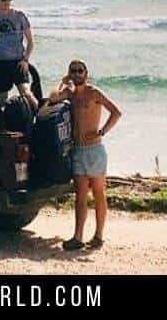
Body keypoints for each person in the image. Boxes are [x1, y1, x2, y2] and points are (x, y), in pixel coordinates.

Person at [48, 59, 122, 251]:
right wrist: (62, 81)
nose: (77, 73)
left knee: (98, 193)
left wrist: (103, 131)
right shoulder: (71, 95)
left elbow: (116, 112)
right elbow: (53, 97)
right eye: (73, 71)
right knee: (80, 195)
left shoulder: (94, 93)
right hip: (78, 150)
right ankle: (78, 236)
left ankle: (98, 236)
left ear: (86, 73)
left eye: (80, 70)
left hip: (95, 150)